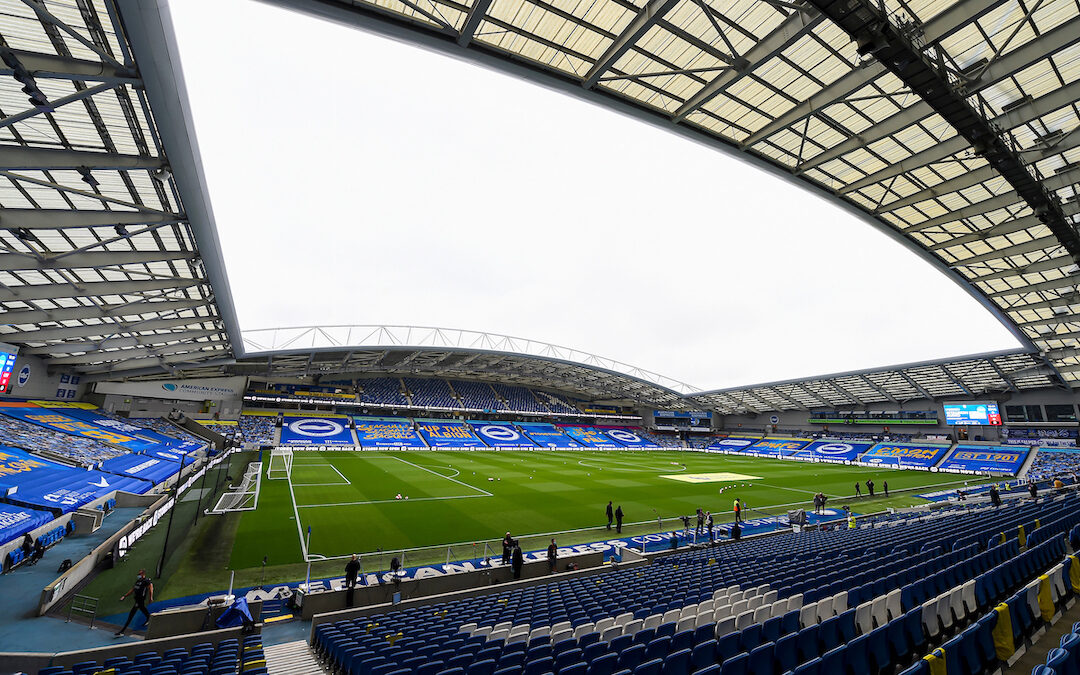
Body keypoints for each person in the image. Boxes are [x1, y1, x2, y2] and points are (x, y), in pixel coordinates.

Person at [115, 569, 153, 636]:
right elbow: (133, 589)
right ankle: (149, 618)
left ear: (143, 574)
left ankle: (122, 631)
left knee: (131, 615)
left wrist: (150, 597)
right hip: (137, 599)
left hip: (140, 600)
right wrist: (125, 596)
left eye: (140, 574)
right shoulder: (138, 581)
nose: (138, 575)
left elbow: (151, 588)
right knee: (143, 609)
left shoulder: (146, 581)